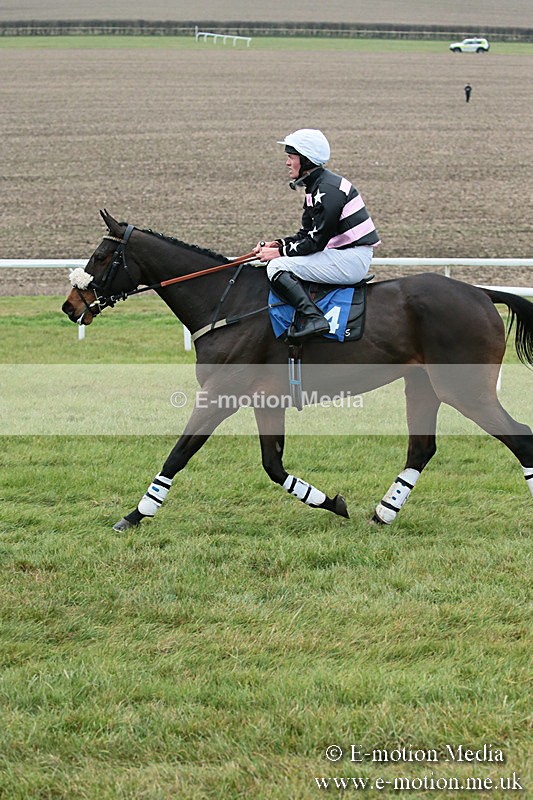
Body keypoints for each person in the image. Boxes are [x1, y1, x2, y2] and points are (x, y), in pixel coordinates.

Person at [254, 128, 380, 341]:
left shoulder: (328, 190)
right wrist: (277, 245)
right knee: (278, 259)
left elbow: (316, 242)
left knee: (277, 266)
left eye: (290, 157)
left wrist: (279, 254)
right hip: (343, 254)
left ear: (305, 160)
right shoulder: (317, 186)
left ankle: (314, 318)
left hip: (350, 258)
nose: (287, 163)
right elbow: (306, 233)